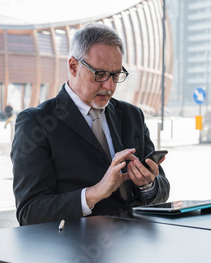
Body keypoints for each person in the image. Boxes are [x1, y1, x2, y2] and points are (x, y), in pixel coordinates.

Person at [11, 24, 170, 226]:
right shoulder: (36, 123)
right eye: (100, 74)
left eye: (115, 75)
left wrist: (148, 184)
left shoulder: (132, 115)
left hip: (135, 245)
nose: (109, 86)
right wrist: (93, 194)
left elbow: (162, 188)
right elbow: (29, 212)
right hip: (73, 247)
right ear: (73, 66)